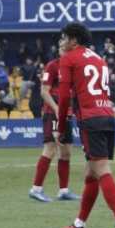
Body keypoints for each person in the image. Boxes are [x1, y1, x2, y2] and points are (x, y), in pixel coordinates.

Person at [59, 22, 115, 228]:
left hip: (90, 119)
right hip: (108, 116)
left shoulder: (69, 58)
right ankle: (79, 224)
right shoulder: (98, 58)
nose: (62, 42)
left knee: (101, 169)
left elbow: (64, 97)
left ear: (74, 40)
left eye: (64, 38)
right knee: (91, 174)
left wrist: (62, 127)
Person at [29, 44, 80, 203]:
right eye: (63, 49)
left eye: (69, 49)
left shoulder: (74, 68)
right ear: (59, 51)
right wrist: (57, 109)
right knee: (50, 148)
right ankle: (36, 189)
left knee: (66, 152)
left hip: (68, 113)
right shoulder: (52, 66)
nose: (66, 51)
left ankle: (63, 190)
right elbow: (44, 92)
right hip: (53, 113)